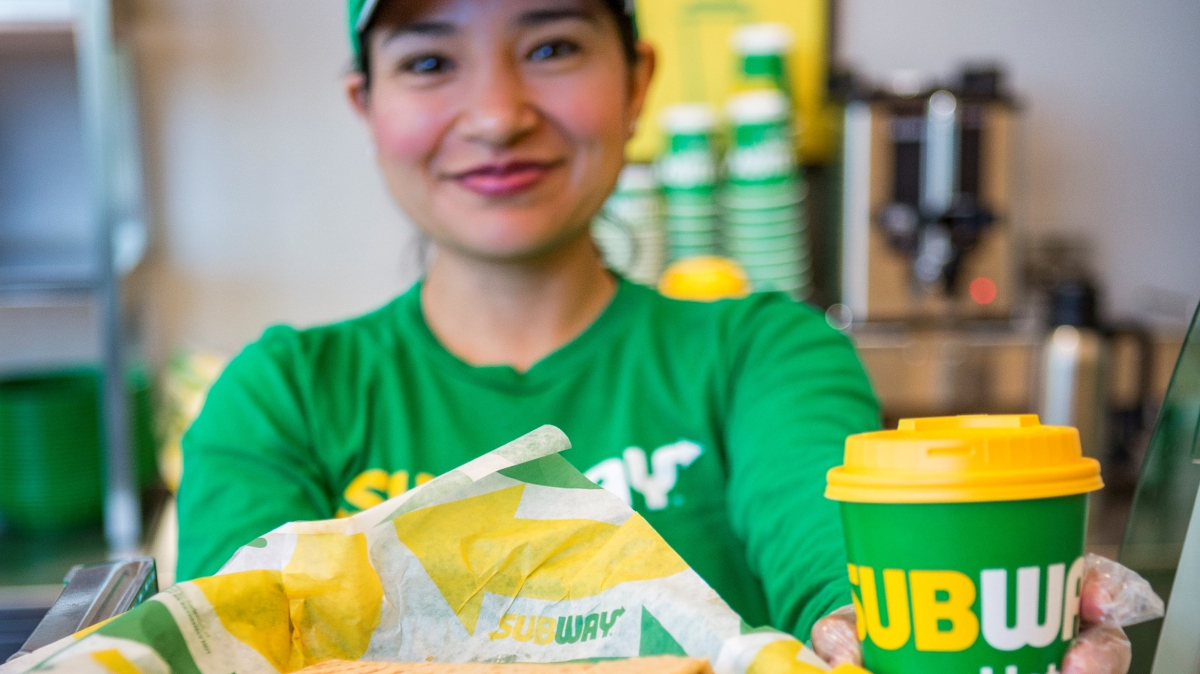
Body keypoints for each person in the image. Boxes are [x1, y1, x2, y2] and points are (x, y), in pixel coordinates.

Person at [176, 0, 1143, 670]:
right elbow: (234, 646)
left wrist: (914, 621)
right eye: (428, 62)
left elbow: (832, 566)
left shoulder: (759, 353)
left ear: (636, 80)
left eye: (552, 46)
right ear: (367, 104)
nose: (499, 115)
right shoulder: (284, 393)